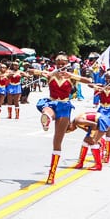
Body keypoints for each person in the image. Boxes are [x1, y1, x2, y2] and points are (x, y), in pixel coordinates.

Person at [29, 55, 92, 184]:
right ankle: (46, 119)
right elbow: (30, 71)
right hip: (52, 103)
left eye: (62, 63)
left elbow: (88, 80)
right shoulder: (50, 74)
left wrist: (72, 75)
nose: (60, 65)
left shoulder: (70, 76)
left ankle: (51, 174)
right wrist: (44, 72)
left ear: (67, 64)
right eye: (58, 63)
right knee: (47, 110)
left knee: (57, 141)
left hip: (64, 106)